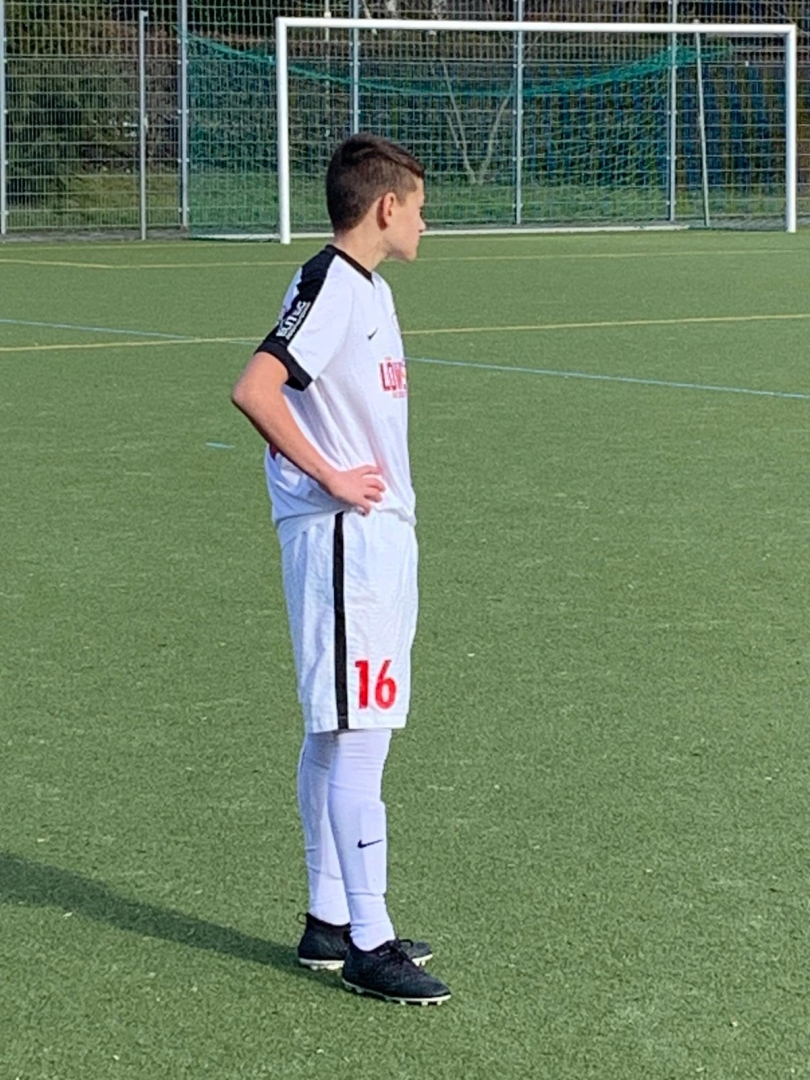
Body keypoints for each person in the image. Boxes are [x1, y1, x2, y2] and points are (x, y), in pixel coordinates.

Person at [231, 134, 450, 1006]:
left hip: (376, 538)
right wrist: (328, 474)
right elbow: (255, 387)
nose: (425, 223)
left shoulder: (367, 287)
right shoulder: (330, 283)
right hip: (344, 538)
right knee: (361, 735)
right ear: (386, 207)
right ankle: (370, 938)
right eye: (420, 208)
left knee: (336, 729)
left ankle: (329, 919)